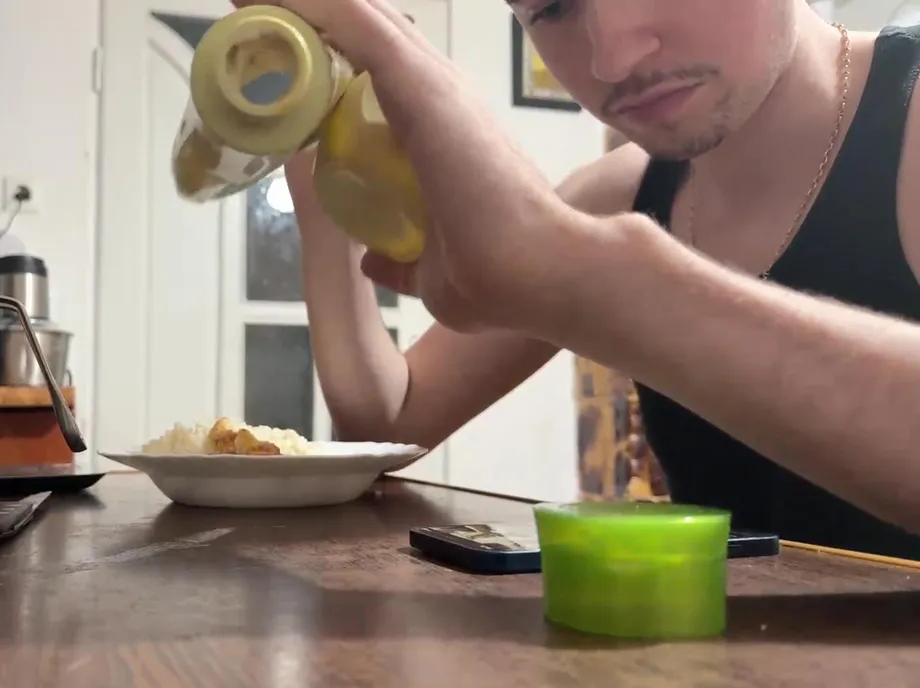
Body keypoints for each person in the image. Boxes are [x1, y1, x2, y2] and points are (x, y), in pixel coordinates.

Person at [235, 0, 920, 559]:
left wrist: (596, 278)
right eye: (553, 8)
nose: (612, 58)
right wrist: (320, 174)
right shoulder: (623, 194)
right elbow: (390, 417)